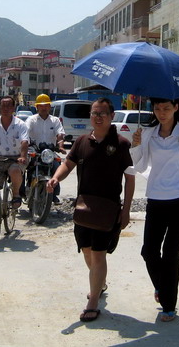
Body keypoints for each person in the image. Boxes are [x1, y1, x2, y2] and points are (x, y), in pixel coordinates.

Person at [46, 98, 135, 323]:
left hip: (108, 209)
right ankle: (100, 282)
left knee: (98, 253)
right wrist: (55, 178)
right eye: (94, 113)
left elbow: (130, 178)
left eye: (102, 113)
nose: (98, 117)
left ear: (112, 116)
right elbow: (68, 164)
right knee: (86, 250)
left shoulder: (122, 144)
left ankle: (93, 301)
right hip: (83, 208)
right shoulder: (82, 141)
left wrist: (126, 210)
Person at [131, 97, 179, 322]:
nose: (161, 113)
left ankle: (168, 306)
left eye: (166, 108)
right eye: (157, 108)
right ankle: (162, 287)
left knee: (172, 254)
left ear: (176, 108)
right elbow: (139, 166)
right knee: (149, 252)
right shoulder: (148, 134)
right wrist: (135, 145)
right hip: (155, 199)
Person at [25, 93, 66, 203]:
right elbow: (25, 132)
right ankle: (22, 191)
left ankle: (54, 194)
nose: (44, 108)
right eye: (41, 106)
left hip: (49, 152)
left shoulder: (55, 120)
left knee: (57, 167)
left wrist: (61, 146)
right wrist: (25, 144)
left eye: (46, 105)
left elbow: (60, 134)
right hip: (34, 151)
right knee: (23, 166)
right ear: (37, 107)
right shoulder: (31, 120)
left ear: (49, 107)